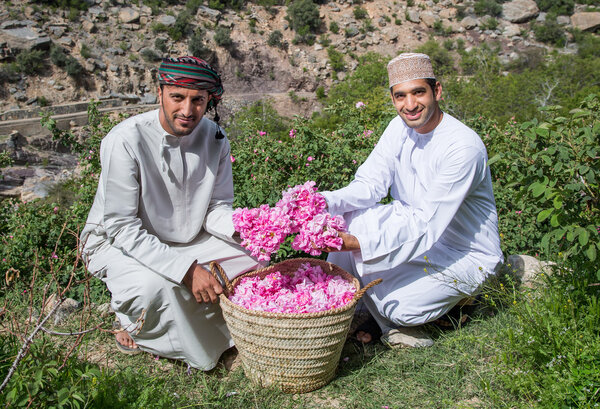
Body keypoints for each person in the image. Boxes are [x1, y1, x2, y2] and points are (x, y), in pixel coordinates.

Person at [80, 56, 261, 370]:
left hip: (189, 235)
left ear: (209, 101)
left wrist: (248, 228)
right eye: (177, 97)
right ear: (160, 92)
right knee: (157, 287)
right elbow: (121, 227)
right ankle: (134, 324)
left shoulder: (215, 138)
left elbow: (217, 208)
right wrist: (187, 270)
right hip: (118, 242)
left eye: (198, 100)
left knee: (256, 258)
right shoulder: (125, 140)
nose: (188, 111)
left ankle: (229, 332)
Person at [319, 53, 503, 348]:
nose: (410, 105)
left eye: (419, 92)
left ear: (437, 91)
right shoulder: (398, 128)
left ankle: (453, 305)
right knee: (345, 218)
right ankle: (365, 310)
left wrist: (353, 243)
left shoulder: (462, 147)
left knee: (398, 305)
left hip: (465, 252)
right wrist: (319, 204)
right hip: (415, 231)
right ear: (393, 99)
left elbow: (428, 222)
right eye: (400, 96)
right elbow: (368, 185)